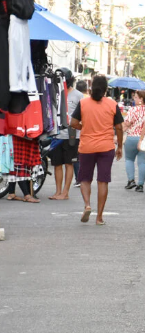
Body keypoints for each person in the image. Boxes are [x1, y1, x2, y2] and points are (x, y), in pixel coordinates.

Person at [70, 75, 124, 225]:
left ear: (91, 87)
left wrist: (84, 127)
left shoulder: (83, 103)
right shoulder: (112, 104)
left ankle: (87, 205)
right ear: (106, 89)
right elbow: (119, 127)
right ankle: (99, 217)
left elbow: (73, 123)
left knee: (85, 178)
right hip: (106, 147)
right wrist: (120, 146)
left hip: (87, 147)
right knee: (103, 181)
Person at [48, 68, 83, 200]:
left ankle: (65, 192)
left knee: (69, 163)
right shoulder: (55, 93)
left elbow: (82, 116)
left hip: (72, 135)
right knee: (57, 164)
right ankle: (58, 192)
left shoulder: (78, 95)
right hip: (56, 134)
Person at [122, 90, 145, 192]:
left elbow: (127, 124)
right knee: (143, 162)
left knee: (129, 160)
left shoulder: (132, 110)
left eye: (135, 97)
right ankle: (140, 185)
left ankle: (131, 180)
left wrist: (120, 132)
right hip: (144, 139)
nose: (134, 99)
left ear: (141, 99)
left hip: (131, 137)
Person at [73, 80, 89, 187]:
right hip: (86, 131)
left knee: (75, 157)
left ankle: (78, 178)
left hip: (75, 130)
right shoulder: (89, 98)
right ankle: (84, 176)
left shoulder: (73, 96)